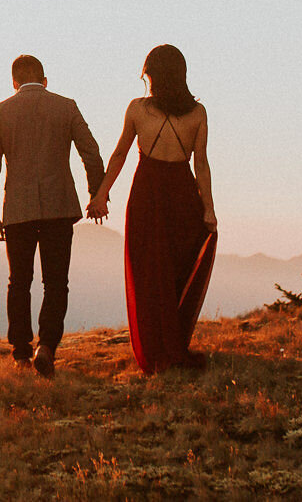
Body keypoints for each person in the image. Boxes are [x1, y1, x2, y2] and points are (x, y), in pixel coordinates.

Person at [88, 43, 217, 373]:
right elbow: (201, 165)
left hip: (147, 195)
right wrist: (209, 210)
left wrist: (101, 196)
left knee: (147, 274)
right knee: (176, 271)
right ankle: (173, 344)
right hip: (183, 195)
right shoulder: (198, 113)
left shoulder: (137, 109)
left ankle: (155, 349)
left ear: (153, 75)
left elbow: (119, 155)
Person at [0, 54, 103, 377]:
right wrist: (96, 193)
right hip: (59, 207)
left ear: (14, 82)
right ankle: (47, 346)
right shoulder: (66, 107)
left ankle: (21, 353)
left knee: (19, 282)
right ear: (45, 80)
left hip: (17, 210)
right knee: (56, 282)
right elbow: (91, 152)